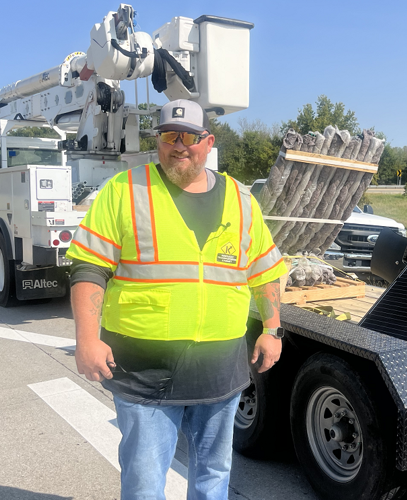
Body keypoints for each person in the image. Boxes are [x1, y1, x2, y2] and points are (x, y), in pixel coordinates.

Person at [66, 99, 287, 500]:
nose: (179, 145)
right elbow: (88, 268)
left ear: (208, 141)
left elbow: (266, 271)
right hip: (143, 371)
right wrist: (86, 338)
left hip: (220, 372)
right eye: (169, 135)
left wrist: (272, 329)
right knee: (145, 482)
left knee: (213, 477)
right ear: (159, 140)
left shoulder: (241, 200)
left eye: (189, 136)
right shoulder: (125, 190)